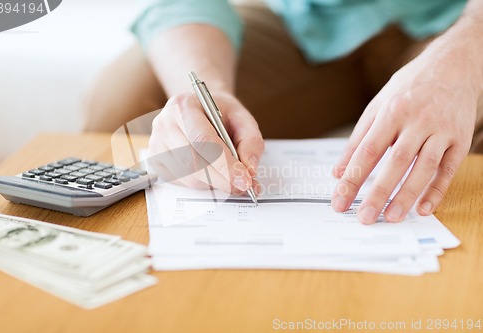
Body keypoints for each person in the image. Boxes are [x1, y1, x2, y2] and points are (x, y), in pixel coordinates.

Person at [83, 0, 483, 224]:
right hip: (307, 19)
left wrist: (465, 52)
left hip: (461, 20)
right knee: (131, 100)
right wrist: (204, 93)